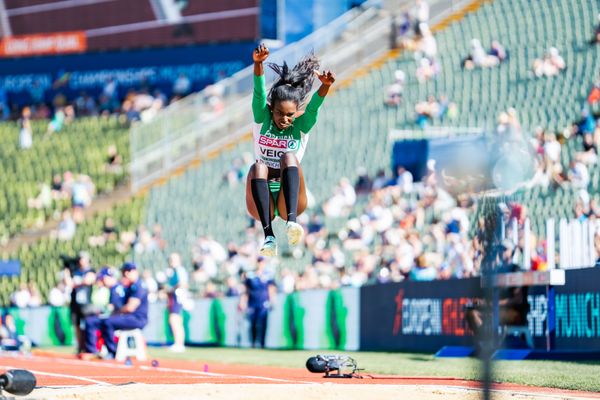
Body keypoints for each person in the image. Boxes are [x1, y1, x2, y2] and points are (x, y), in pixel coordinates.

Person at [246, 44, 335, 256]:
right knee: (257, 167)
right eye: (279, 114)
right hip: (263, 196)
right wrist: (258, 64)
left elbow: (313, 107)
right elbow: (259, 94)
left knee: (289, 157)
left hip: (290, 198)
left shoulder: (301, 126)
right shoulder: (262, 118)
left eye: (289, 115)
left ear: (296, 112)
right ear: (271, 109)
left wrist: (325, 87)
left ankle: (292, 224)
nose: (284, 120)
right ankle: (268, 237)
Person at [465, 239, 529, 340]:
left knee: (492, 315)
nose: (501, 252)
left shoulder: (517, 271)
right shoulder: (496, 271)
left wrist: (492, 304)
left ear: (512, 252)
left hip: (514, 312)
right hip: (496, 309)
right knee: (471, 313)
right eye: (499, 249)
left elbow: (518, 300)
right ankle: (484, 342)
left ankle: (489, 342)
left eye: (505, 250)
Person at [99, 262, 148, 359]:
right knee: (105, 321)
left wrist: (116, 312)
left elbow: (130, 307)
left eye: (127, 272)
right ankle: (109, 350)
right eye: (124, 272)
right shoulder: (130, 286)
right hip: (130, 317)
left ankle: (112, 352)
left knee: (108, 322)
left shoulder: (139, 286)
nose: (125, 275)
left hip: (137, 318)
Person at [82, 267, 126, 356]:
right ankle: (94, 350)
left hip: (119, 317)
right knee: (91, 320)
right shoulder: (115, 287)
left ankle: (110, 350)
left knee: (96, 322)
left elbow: (113, 307)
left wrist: (99, 310)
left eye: (103, 278)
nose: (101, 280)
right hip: (116, 316)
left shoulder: (116, 289)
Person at [239, 257, 277, 348]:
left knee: (263, 323)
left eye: (262, 262)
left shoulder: (268, 275)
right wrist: (243, 302)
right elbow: (246, 291)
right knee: (253, 323)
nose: (261, 264)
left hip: (264, 303)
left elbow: (271, 289)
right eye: (259, 262)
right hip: (252, 303)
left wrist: (272, 301)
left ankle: (262, 343)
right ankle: (253, 343)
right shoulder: (250, 275)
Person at [165, 253, 189, 353]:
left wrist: (171, 289)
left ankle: (179, 344)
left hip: (177, 297)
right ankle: (179, 343)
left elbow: (183, 284)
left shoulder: (179, 270)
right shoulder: (173, 271)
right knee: (176, 320)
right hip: (175, 297)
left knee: (174, 320)